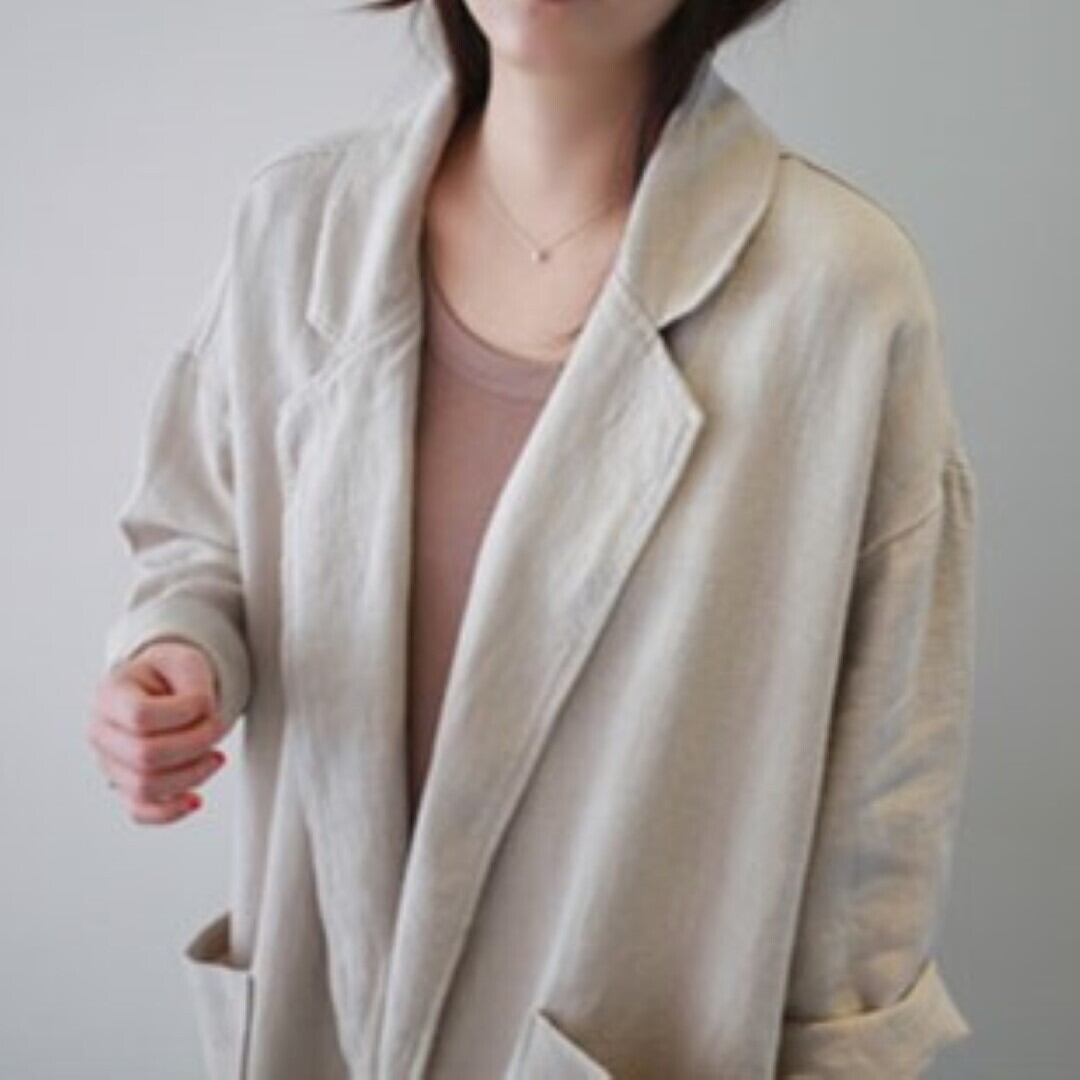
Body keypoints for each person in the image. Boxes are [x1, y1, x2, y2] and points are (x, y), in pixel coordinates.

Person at [89, 1, 978, 1076]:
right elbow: (198, 535)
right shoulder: (295, 227)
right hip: (315, 1024)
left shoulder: (837, 294)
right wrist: (175, 652)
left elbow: (885, 797)